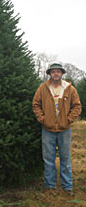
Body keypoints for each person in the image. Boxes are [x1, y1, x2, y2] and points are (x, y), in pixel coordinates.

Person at [32, 63, 81, 195]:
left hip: (64, 129)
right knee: (48, 159)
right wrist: (43, 119)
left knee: (65, 159)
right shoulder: (43, 88)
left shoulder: (70, 89)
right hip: (47, 129)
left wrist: (68, 120)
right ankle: (50, 187)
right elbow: (36, 104)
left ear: (62, 73)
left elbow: (77, 106)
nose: (56, 74)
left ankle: (67, 187)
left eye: (58, 71)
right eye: (53, 72)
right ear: (49, 74)